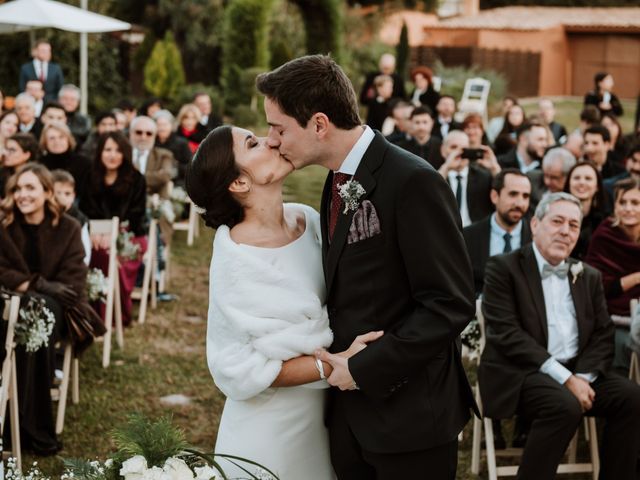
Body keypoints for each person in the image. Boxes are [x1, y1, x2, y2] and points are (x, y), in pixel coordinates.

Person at [258, 54, 477, 479]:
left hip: (411, 420)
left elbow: (449, 304)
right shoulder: (336, 180)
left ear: (319, 124)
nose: (271, 140)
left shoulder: (413, 180)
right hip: (351, 420)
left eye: (279, 128)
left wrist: (362, 369)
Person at [186, 125, 340, 479]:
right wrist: (334, 366)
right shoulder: (237, 259)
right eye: (253, 143)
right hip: (268, 432)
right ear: (239, 183)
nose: (271, 140)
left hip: (328, 419)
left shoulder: (309, 220)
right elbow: (238, 366)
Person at [479, 191, 640, 480]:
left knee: (632, 397)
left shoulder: (587, 274)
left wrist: (582, 378)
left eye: (574, 225)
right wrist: (566, 380)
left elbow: (603, 334)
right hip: (521, 372)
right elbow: (507, 334)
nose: (565, 231)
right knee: (563, 405)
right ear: (535, 224)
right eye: (557, 221)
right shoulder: (503, 268)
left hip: (579, 372)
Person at [0, 163, 100, 455]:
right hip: (13, 300)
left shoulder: (68, 227)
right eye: (17, 189)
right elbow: (2, 270)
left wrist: (39, 291)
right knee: (23, 312)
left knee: (39, 315)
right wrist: (39, 284)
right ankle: (9, 423)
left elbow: (71, 283)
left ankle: (33, 426)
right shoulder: (5, 225)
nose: (22, 195)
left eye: (30, 188)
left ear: (46, 191)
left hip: (58, 307)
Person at [80, 131, 147, 326]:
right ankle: (91, 312)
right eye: (107, 149)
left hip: (130, 236)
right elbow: (85, 210)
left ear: (125, 153)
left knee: (111, 257)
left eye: (118, 150)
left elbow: (136, 216)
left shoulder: (136, 179)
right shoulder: (90, 176)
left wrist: (114, 234)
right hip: (95, 234)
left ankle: (116, 315)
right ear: (100, 152)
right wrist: (94, 232)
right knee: (95, 253)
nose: (112, 155)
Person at [585, 178, 640, 375]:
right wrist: (636, 278)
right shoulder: (604, 235)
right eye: (622, 202)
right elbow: (598, 286)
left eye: (635, 203)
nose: (628, 208)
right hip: (614, 319)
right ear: (615, 206)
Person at [463, 168, 532, 296]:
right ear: (495, 196)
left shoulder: (536, 238)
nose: (520, 203)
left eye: (525, 196)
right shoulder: (468, 236)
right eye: (513, 194)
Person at [437, 130, 494, 227]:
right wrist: (446, 167)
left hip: (475, 232)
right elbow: (427, 193)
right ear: (443, 150)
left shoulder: (483, 177)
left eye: (464, 149)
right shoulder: (438, 174)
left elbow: (503, 194)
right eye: (454, 147)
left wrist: (494, 168)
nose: (459, 153)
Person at [563, 161, 608, 260]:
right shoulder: (555, 216)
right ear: (568, 183)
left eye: (588, 179)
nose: (582, 182)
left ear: (597, 186)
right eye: (576, 178)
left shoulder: (605, 222)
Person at [39, 122, 91, 201]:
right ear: (45, 142)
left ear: (68, 139)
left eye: (61, 137)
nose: (57, 141)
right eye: (52, 138)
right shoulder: (39, 164)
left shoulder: (84, 163)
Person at [51, 169, 91, 265]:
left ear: (73, 196)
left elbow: (85, 256)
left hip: (71, 266)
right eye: (58, 193)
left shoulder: (80, 220)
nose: (62, 198)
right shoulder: (43, 215)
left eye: (67, 194)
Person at [153, 110, 192, 186]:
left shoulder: (182, 143)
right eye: (159, 125)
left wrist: (176, 167)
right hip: (155, 181)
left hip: (178, 182)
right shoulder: (151, 142)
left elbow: (191, 166)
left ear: (171, 125)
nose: (162, 128)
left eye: (165, 125)